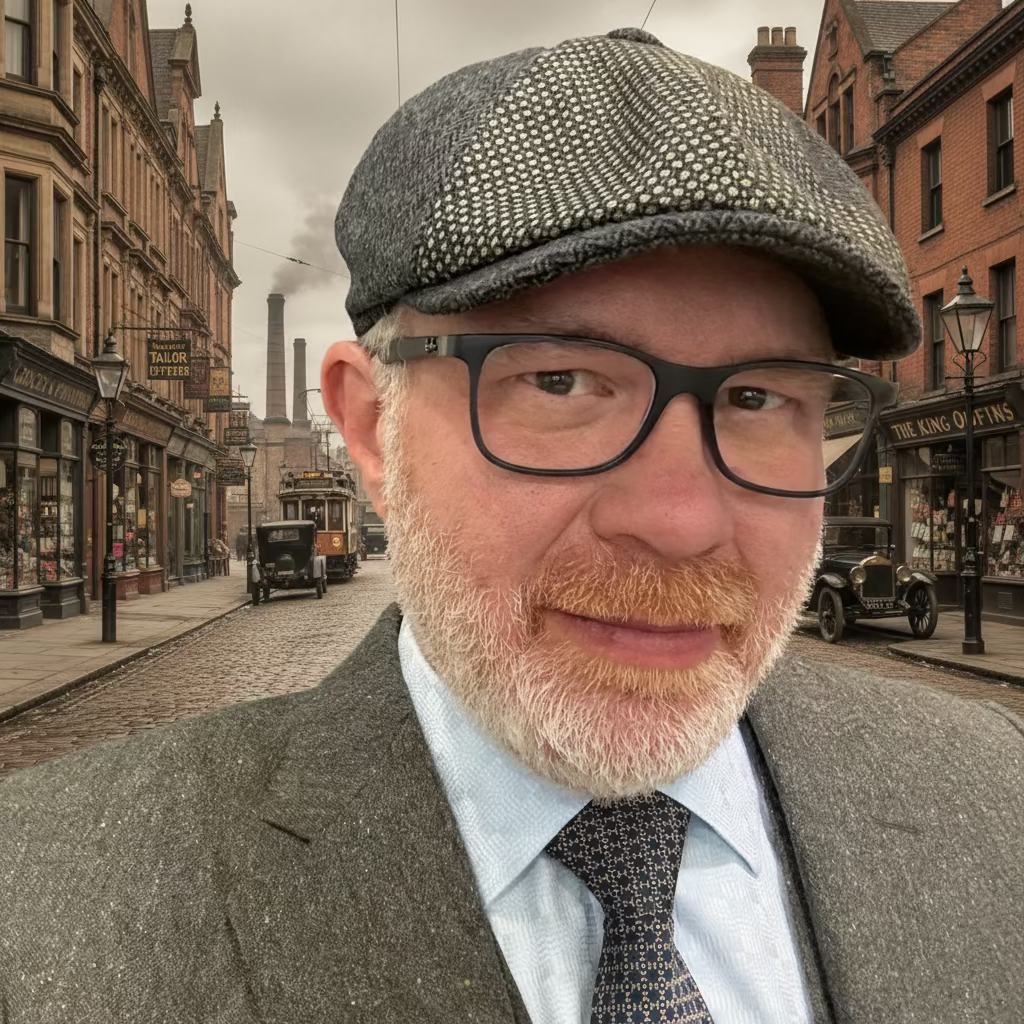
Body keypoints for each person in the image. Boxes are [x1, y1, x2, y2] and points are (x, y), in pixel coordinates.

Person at [1, 28, 1021, 1024]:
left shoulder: (992, 791)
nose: (678, 520)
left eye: (757, 399)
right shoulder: (44, 908)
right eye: (561, 381)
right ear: (372, 429)